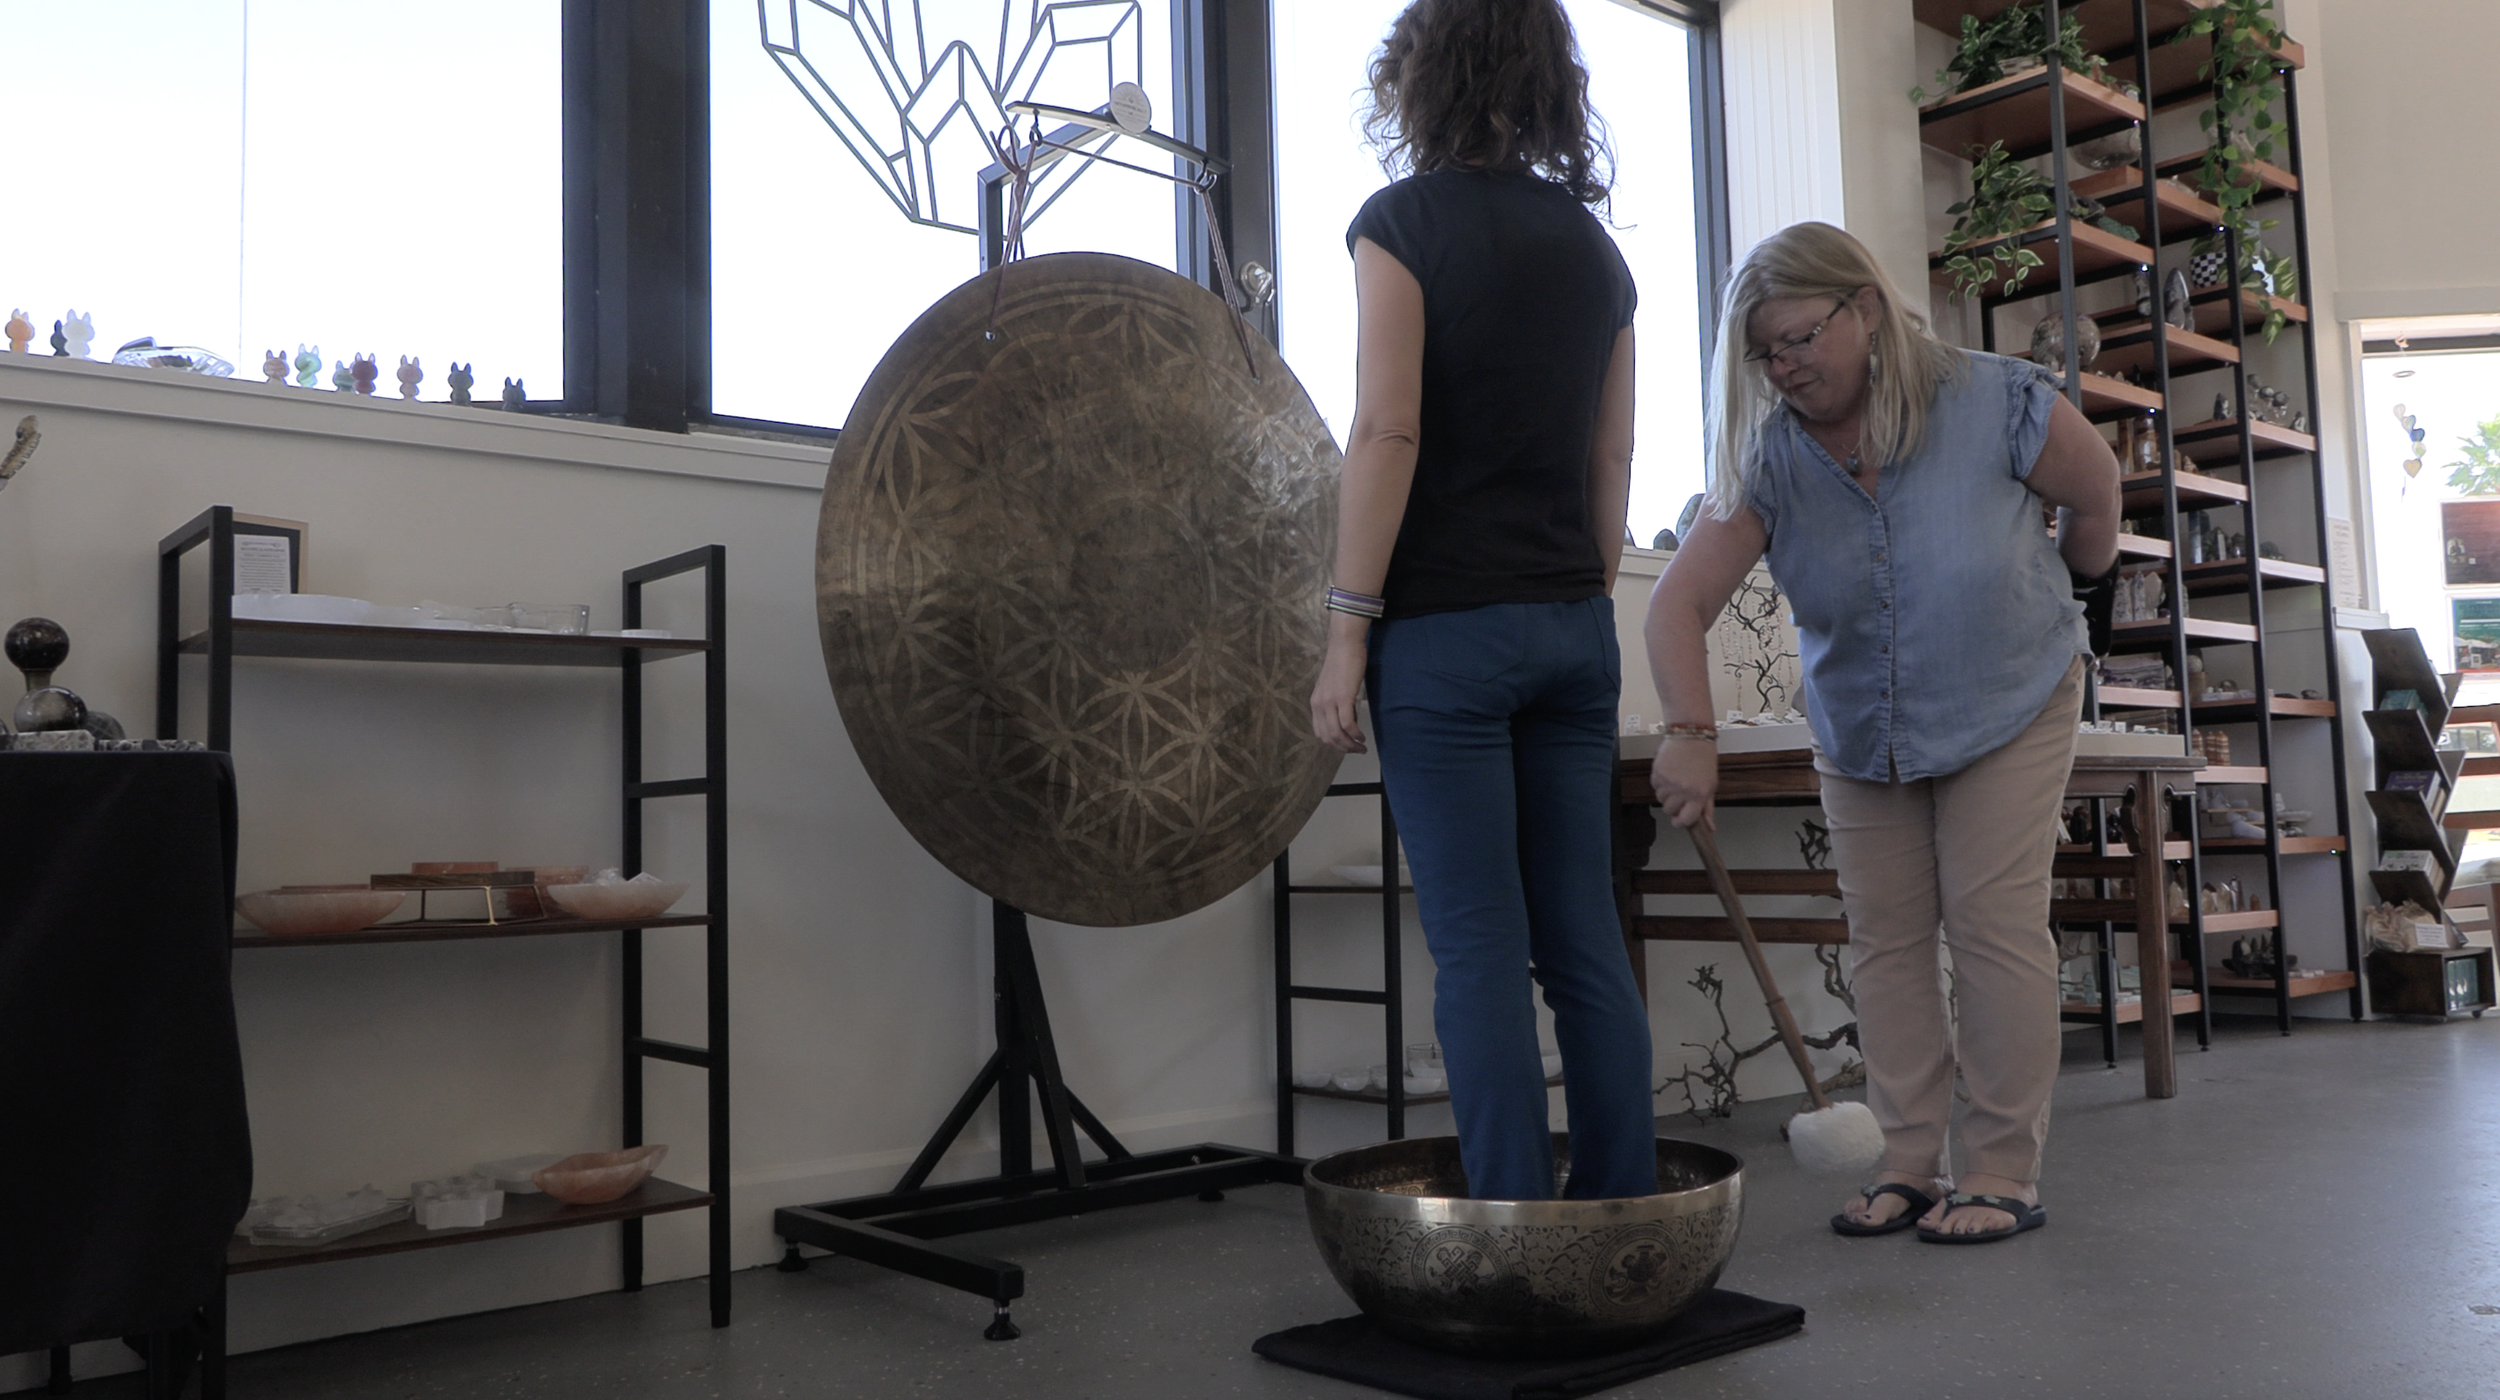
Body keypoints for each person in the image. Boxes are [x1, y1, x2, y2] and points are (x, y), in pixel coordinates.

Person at [1644, 222, 2120, 1242]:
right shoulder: (1770, 456)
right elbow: (1673, 605)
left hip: (2009, 692)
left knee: (1990, 925)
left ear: (1863, 307)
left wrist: (2071, 582)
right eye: (1764, 352)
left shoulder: (1995, 398)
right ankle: (1909, 1160)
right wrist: (1690, 728)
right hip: (1865, 722)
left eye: (1799, 338)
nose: (1783, 367)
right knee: (1887, 941)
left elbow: (2095, 496)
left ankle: (1998, 1168)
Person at [1306, 0, 1656, 1202]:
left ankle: (1509, 1226)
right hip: (1571, 625)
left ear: (1416, 81)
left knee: (1476, 951)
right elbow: (1613, 461)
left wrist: (1348, 628)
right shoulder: (1596, 253)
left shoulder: (1398, 223)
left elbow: (1386, 427)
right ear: (1548, 83)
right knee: (1584, 945)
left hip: (1447, 637)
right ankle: (1619, 1213)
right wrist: (1575, 591)